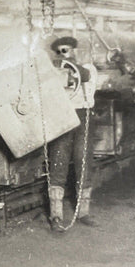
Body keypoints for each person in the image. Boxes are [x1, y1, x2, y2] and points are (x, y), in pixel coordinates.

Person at [48, 36, 98, 230]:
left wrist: (68, 65)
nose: (63, 54)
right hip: (63, 117)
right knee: (58, 162)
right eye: (59, 51)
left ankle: (83, 212)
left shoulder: (88, 68)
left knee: (83, 162)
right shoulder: (56, 72)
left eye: (66, 50)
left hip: (83, 116)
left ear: (74, 50)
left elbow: (84, 75)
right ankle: (56, 216)